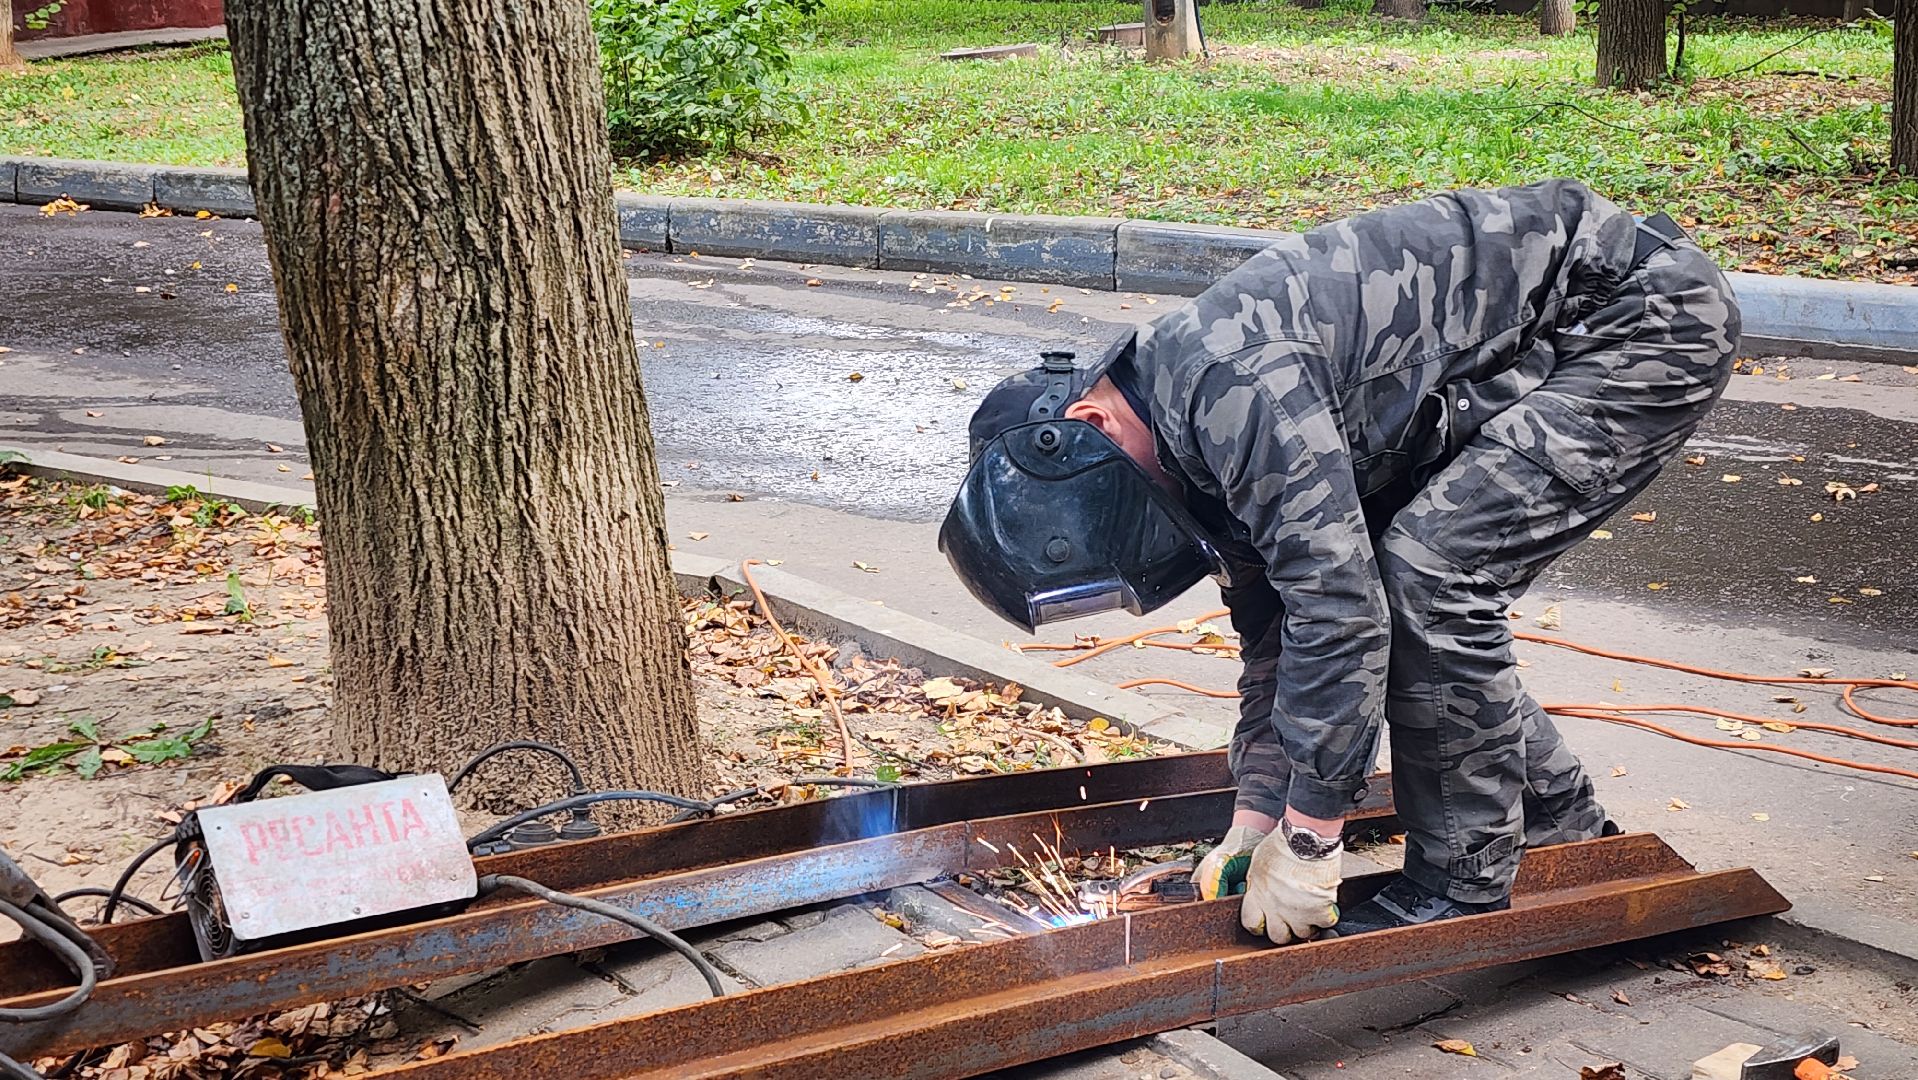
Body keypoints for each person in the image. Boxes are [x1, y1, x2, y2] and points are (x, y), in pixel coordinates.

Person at [940, 179, 1740, 942]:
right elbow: (1277, 638)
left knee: (1430, 576)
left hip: (1640, 315)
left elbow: (1341, 615)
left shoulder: (1226, 389)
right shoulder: (1185, 450)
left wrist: (1314, 835)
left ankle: (1463, 883)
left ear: (1094, 424)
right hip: (1545, 344)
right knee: (1413, 583)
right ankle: (1565, 829)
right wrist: (1254, 824)